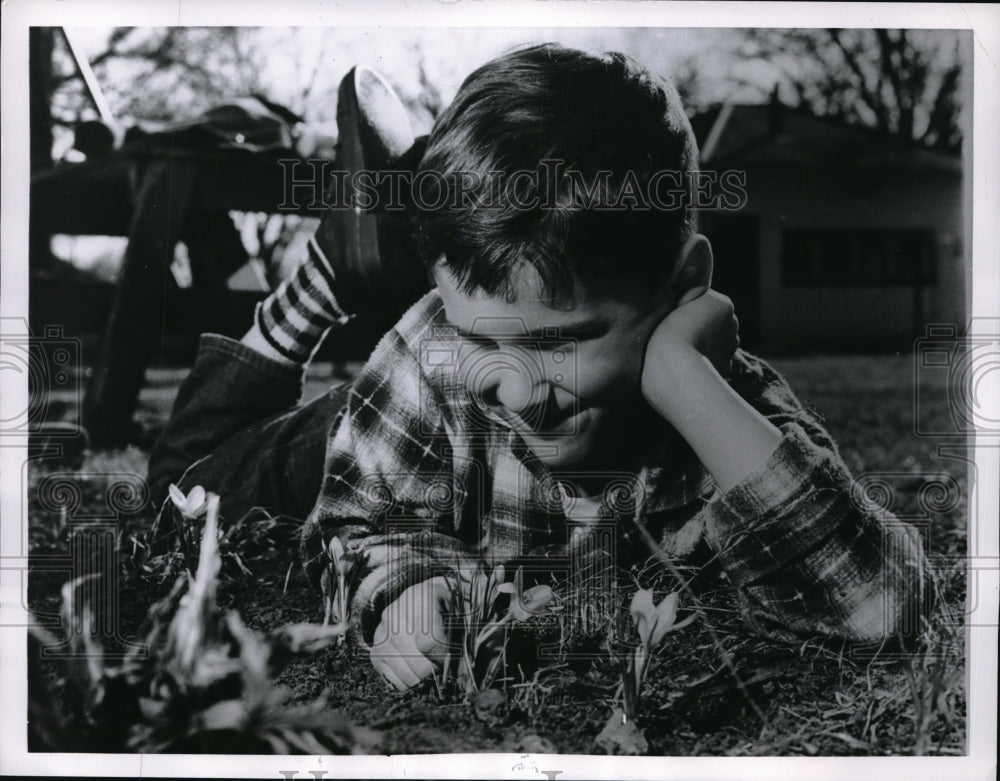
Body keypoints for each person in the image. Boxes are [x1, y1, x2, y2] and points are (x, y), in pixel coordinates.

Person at [149, 44, 930, 692]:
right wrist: (403, 580)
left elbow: (882, 607)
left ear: (683, 287)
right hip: (376, 423)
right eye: (485, 339)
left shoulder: (731, 409)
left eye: (560, 342)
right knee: (175, 489)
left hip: (439, 395)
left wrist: (688, 383)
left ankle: (394, 240)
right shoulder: (437, 348)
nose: (511, 385)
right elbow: (359, 522)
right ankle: (333, 272)